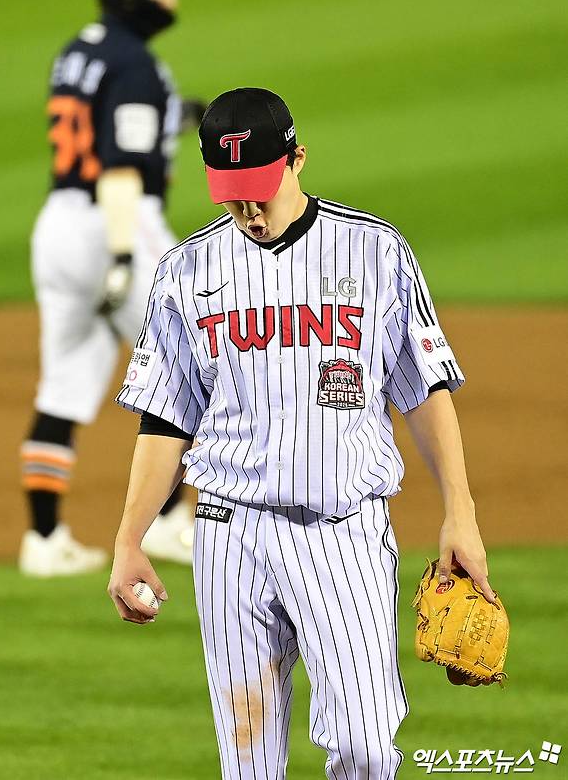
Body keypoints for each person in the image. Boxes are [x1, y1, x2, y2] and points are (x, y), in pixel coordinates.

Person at [108, 88, 497, 778]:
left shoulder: (375, 251)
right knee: (248, 761)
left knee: (367, 746)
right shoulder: (184, 271)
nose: (250, 213)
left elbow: (425, 390)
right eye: (233, 198)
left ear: (298, 160)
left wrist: (459, 512)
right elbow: (165, 416)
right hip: (229, 536)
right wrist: (129, 538)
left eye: (261, 191)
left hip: (343, 534)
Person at [19, 0, 204, 577]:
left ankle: (44, 538)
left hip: (58, 228)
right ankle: (172, 523)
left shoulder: (81, 50)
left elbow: (107, 123)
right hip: (116, 222)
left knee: (63, 383)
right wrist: (123, 256)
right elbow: (122, 165)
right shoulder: (136, 64)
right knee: (194, 366)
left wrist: (181, 115)